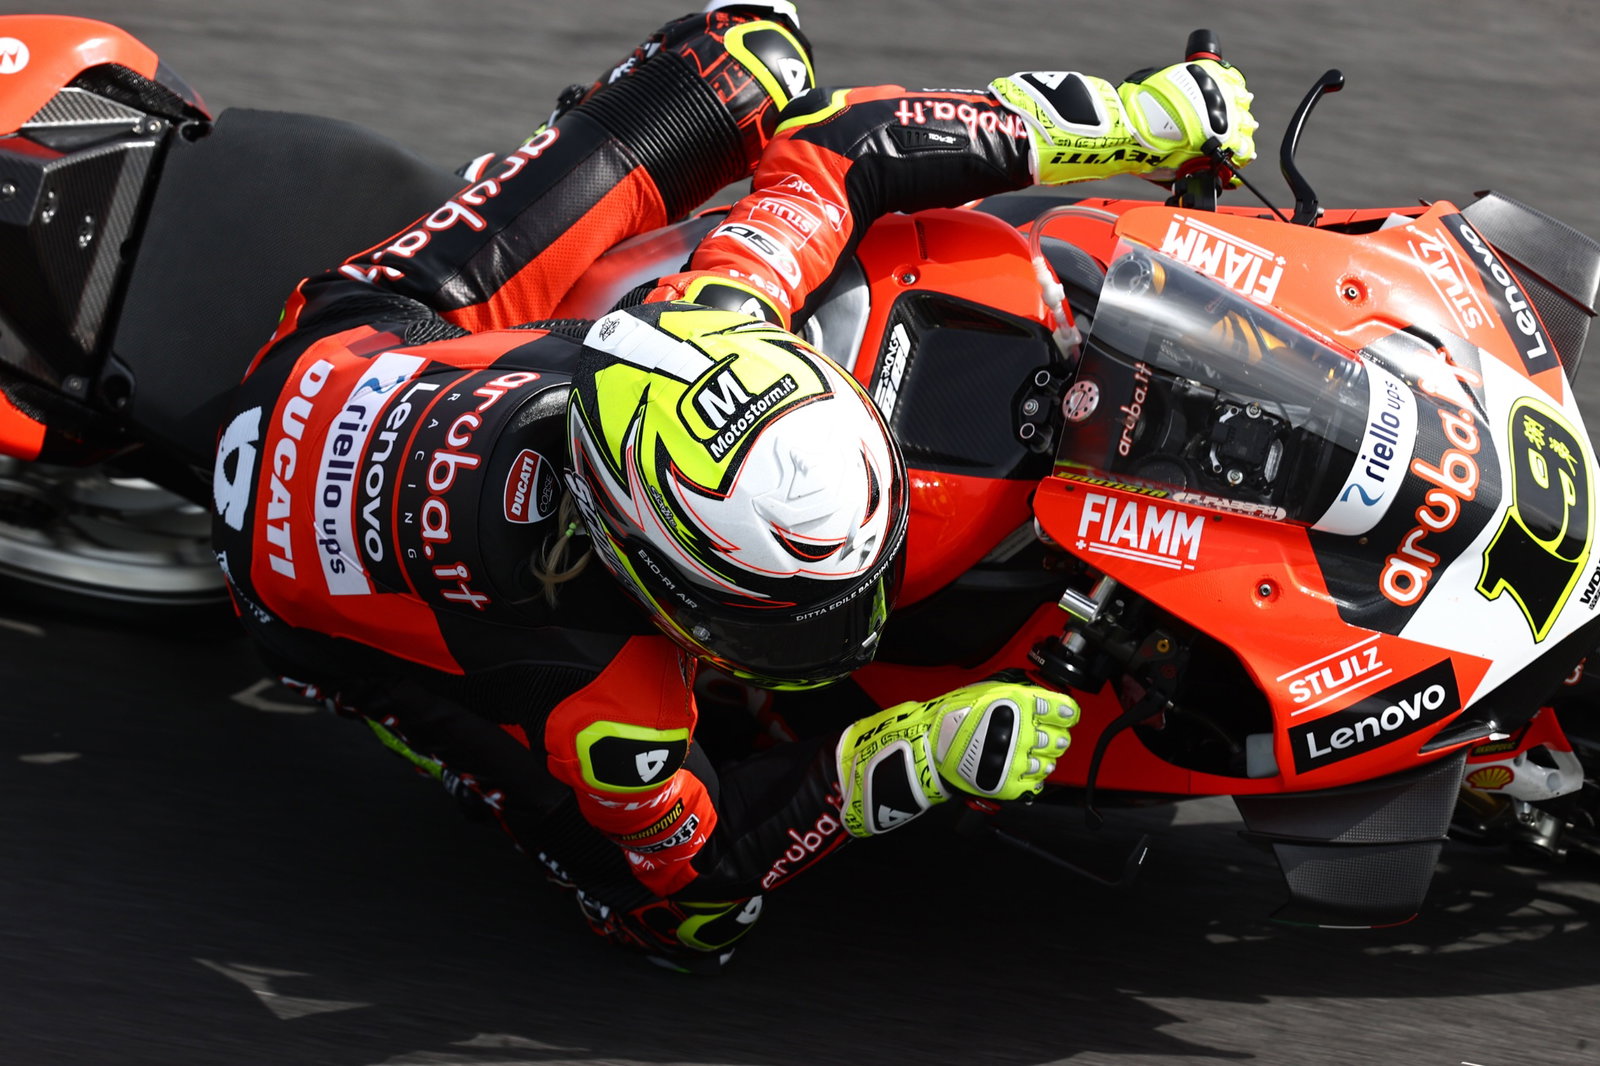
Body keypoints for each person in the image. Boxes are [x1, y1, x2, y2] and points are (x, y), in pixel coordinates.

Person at [209, 1, 1257, 972]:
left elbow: (845, 153)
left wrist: (1122, 120)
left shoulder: (716, 313)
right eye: (777, 618)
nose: (845, 625)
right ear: (644, 571)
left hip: (378, 348)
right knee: (643, 909)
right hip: (291, 554)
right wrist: (891, 768)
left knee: (747, 55)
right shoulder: (602, 704)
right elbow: (694, 888)